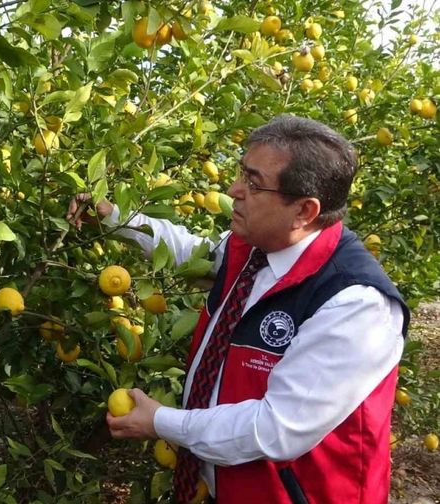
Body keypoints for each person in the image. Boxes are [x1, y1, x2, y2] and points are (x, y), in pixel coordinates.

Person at [68, 115, 409, 504]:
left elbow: (274, 429)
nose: (234, 190)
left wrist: (162, 421)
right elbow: (188, 252)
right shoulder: (252, 249)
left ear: (304, 211)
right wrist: (115, 218)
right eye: (240, 174)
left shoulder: (355, 303)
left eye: (253, 182)